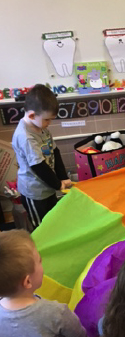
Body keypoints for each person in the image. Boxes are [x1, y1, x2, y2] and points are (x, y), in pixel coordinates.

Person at [12, 84, 72, 230]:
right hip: (35, 192)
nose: (49, 123)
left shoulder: (42, 128)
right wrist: (57, 184)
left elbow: (55, 152)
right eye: (47, 120)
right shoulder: (25, 137)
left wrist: (62, 177)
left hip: (48, 187)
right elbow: (38, 166)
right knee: (42, 227)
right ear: (32, 115)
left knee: (53, 220)